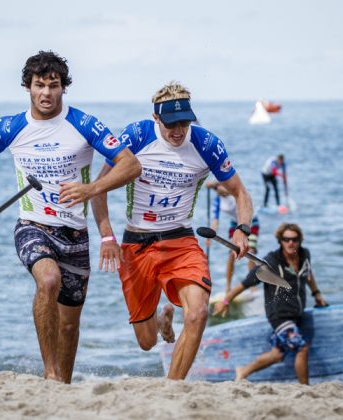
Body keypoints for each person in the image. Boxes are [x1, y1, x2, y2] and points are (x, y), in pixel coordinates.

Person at [0, 51, 141, 383]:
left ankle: (62, 384)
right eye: (39, 85)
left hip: (75, 233)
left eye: (53, 85)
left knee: (70, 322)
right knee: (47, 281)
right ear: (27, 88)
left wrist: (91, 189)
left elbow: (131, 165)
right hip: (33, 225)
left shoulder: (84, 124)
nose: (46, 93)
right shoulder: (11, 127)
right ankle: (49, 374)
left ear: (64, 88)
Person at [91, 81, 254, 380]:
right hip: (137, 242)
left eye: (184, 122)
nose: (178, 131)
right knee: (147, 342)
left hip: (180, 240)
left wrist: (242, 229)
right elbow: (98, 190)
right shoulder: (136, 136)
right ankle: (163, 318)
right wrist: (106, 236)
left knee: (198, 313)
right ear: (156, 118)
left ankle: (173, 390)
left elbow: (241, 193)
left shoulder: (206, 144)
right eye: (170, 124)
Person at [213, 223, 328, 384]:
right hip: (279, 315)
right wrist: (226, 300)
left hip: (296, 314)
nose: (290, 243)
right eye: (286, 239)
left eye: (294, 240)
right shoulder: (271, 262)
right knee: (302, 348)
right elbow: (246, 283)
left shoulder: (304, 255)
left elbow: (308, 274)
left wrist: (317, 294)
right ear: (280, 241)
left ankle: (244, 370)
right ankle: (305, 388)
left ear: (300, 241)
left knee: (278, 354)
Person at [205, 181, 260, 294]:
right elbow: (215, 221)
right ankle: (228, 287)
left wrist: (214, 185)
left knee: (250, 251)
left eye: (219, 187)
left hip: (251, 223)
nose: (218, 190)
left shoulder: (233, 193)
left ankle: (252, 286)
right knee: (231, 254)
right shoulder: (217, 200)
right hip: (234, 225)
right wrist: (210, 237)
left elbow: (227, 189)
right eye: (216, 189)